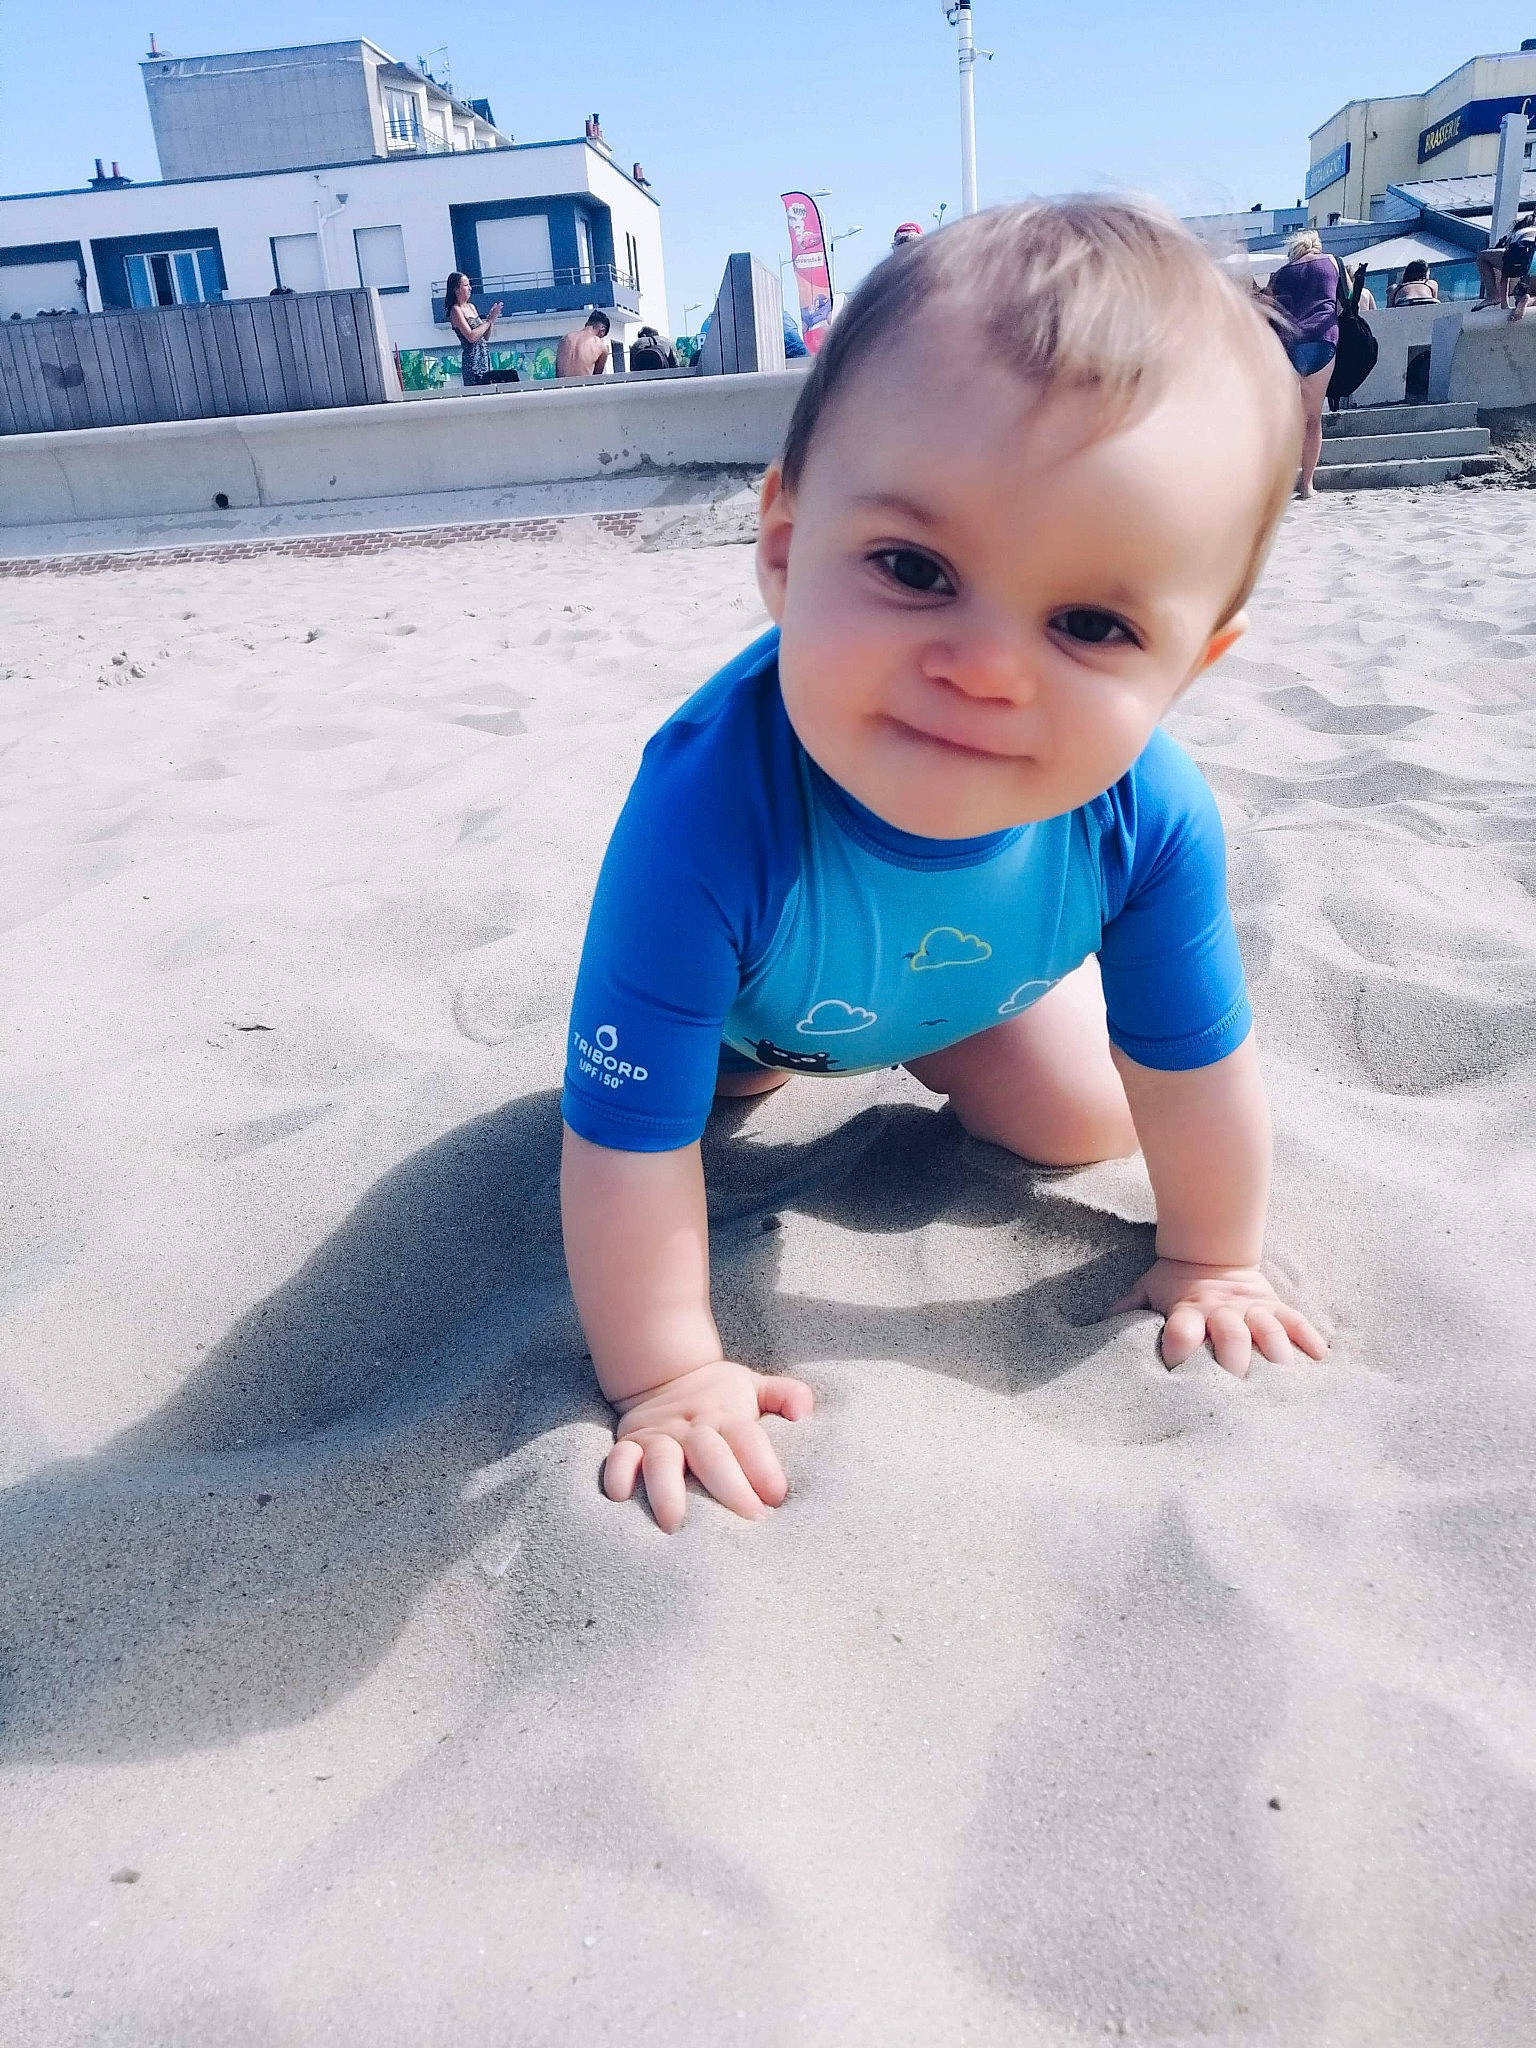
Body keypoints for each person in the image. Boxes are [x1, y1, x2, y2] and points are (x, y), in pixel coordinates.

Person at [560, 199, 1327, 1533]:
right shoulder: (705, 812)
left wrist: (1216, 1257)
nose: (984, 666)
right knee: (686, 1104)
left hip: (967, 986)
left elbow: (1195, 1067)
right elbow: (619, 1151)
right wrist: (672, 1374)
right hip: (759, 1001)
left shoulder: (1151, 817)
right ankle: (755, 1056)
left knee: (1084, 1124)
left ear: (1190, 667)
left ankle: (945, 1022)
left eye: (1090, 622)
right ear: (789, 552)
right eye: (915, 569)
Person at [1265, 228, 1342, 498]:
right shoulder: (1333, 262)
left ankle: (1279, 482)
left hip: (1290, 342)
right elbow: (1348, 299)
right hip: (1323, 338)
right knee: (1312, 418)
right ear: (1316, 246)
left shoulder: (1284, 273)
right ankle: (1307, 484)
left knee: (1290, 418)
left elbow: (1272, 309)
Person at [445, 272, 510, 388]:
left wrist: (491, 321)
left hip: (484, 357)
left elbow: (485, 337)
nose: (470, 288)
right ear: (457, 289)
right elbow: (471, 336)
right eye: (466, 285)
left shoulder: (471, 307)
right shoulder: (455, 310)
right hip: (472, 362)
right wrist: (488, 321)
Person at [556, 310, 611, 378]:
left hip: (560, 386)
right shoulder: (600, 345)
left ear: (587, 324)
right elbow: (596, 378)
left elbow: (558, 372)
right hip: (583, 386)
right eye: (602, 336)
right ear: (602, 330)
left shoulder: (566, 338)